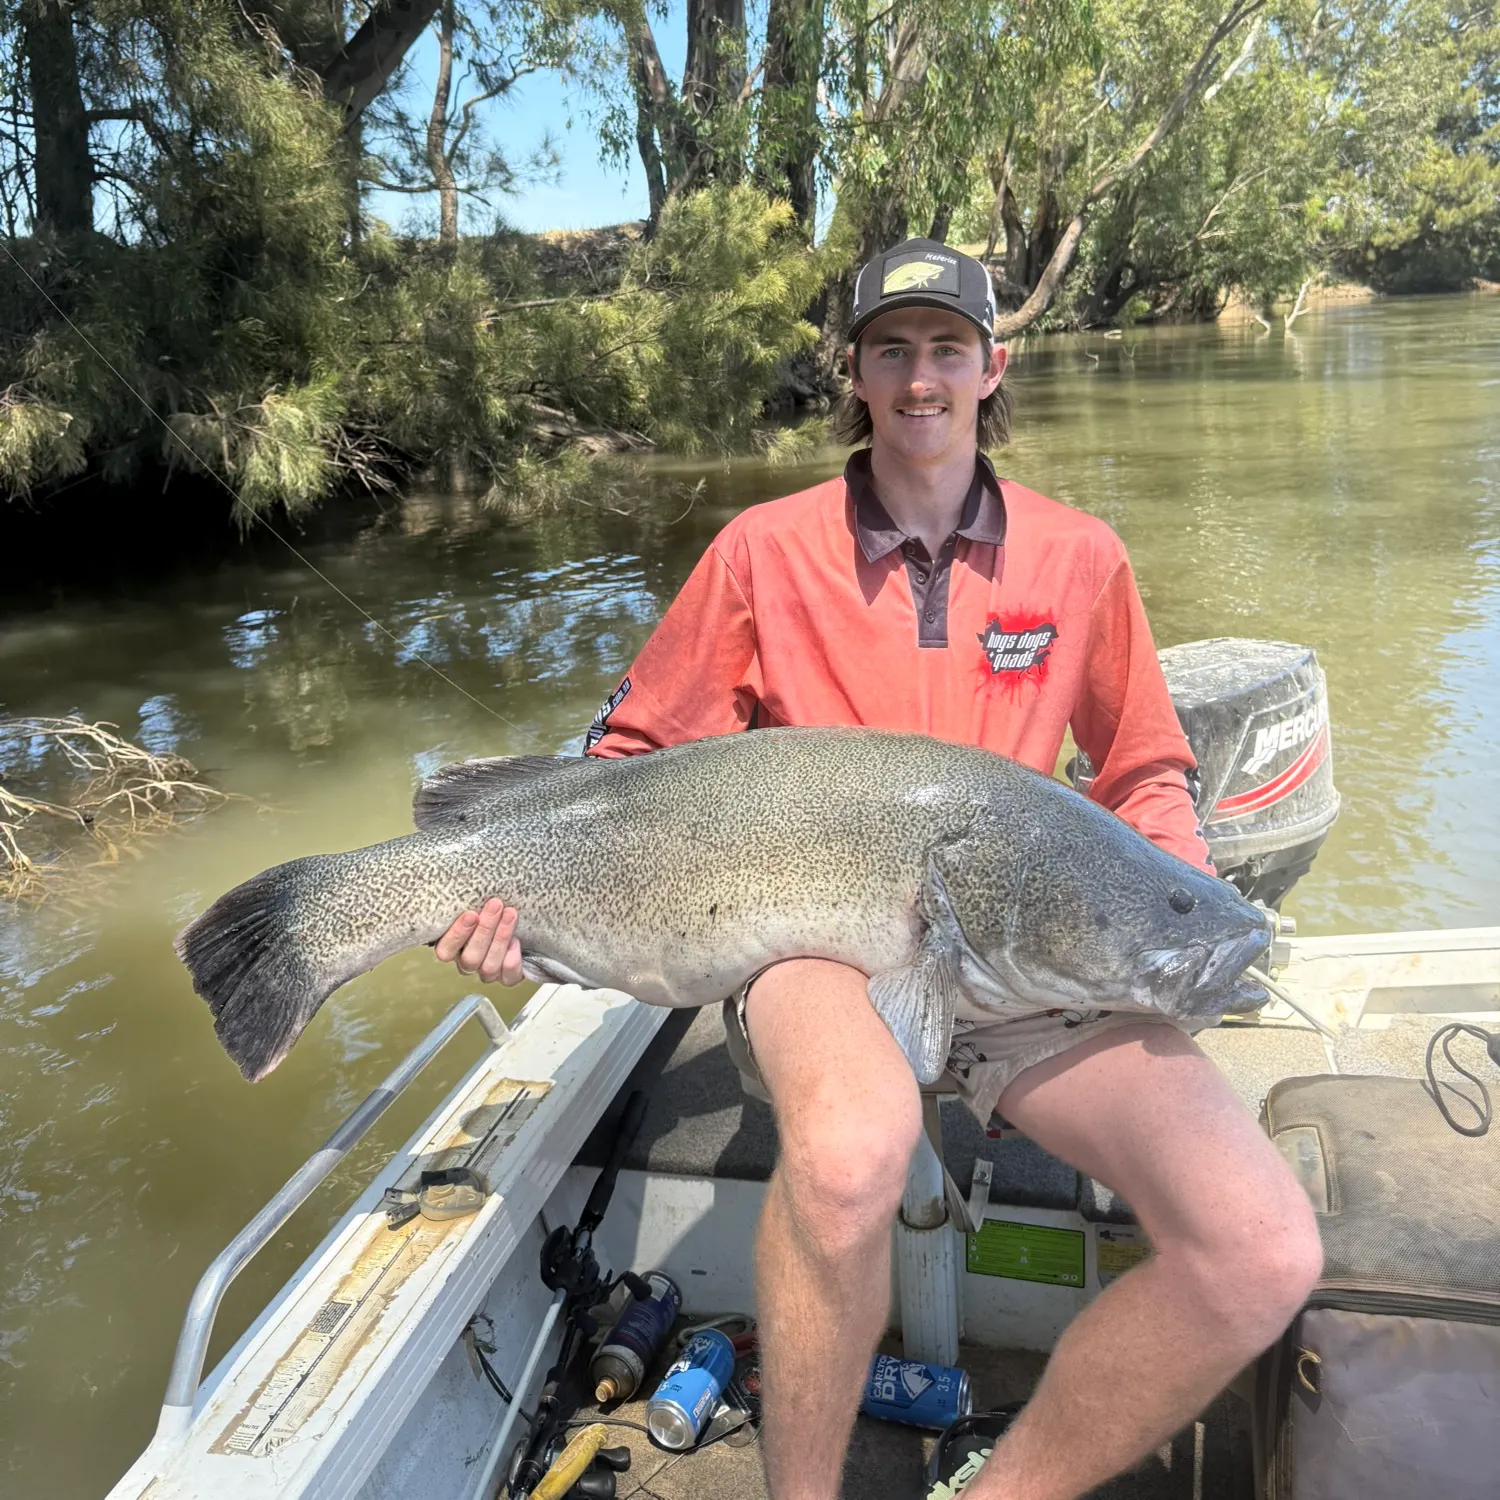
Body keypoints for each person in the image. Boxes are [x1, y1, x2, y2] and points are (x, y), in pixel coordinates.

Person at [434, 239, 1322, 1500]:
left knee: (1263, 1247)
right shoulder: (759, 550)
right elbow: (630, 758)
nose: (920, 378)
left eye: (945, 349)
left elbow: (1143, 775)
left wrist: (1168, 919)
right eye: (891, 349)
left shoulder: (1081, 558)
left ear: (989, 366)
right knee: (853, 1155)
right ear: (853, 373)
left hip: (1027, 950)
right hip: (822, 940)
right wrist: (510, 891)